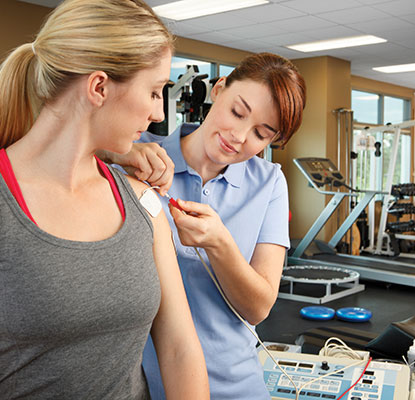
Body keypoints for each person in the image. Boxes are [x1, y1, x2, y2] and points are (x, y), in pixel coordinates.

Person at [0, 0, 209, 398]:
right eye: (154, 91)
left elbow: (179, 350)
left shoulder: (143, 203)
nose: (158, 113)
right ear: (99, 87)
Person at [104, 52, 306, 399]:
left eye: (261, 133)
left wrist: (219, 244)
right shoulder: (138, 159)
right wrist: (115, 153)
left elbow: (258, 307)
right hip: (143, 387)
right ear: (219, 89)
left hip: (236, 384)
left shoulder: (270, 182)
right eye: (237, 112)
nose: (239, 136)